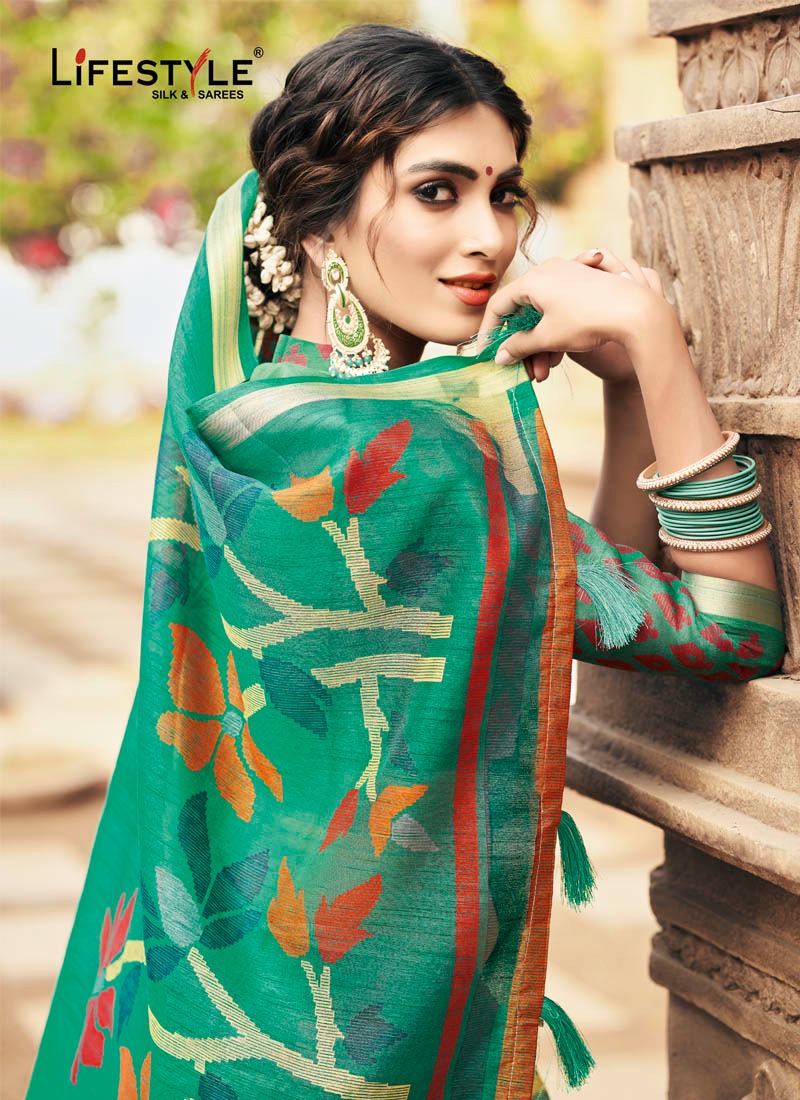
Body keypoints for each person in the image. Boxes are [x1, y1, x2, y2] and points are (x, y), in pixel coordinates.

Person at [27, 23, 786, 1100]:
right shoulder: (412, 457)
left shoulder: (259, 416)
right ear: (320, 221)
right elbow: (730, 628)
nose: (488, 236)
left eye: (503, 194)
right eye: (438, 192)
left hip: (229, 1006)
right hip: (364, 1033)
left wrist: (621, 387)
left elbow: (575, 597)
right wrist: (656, 341)